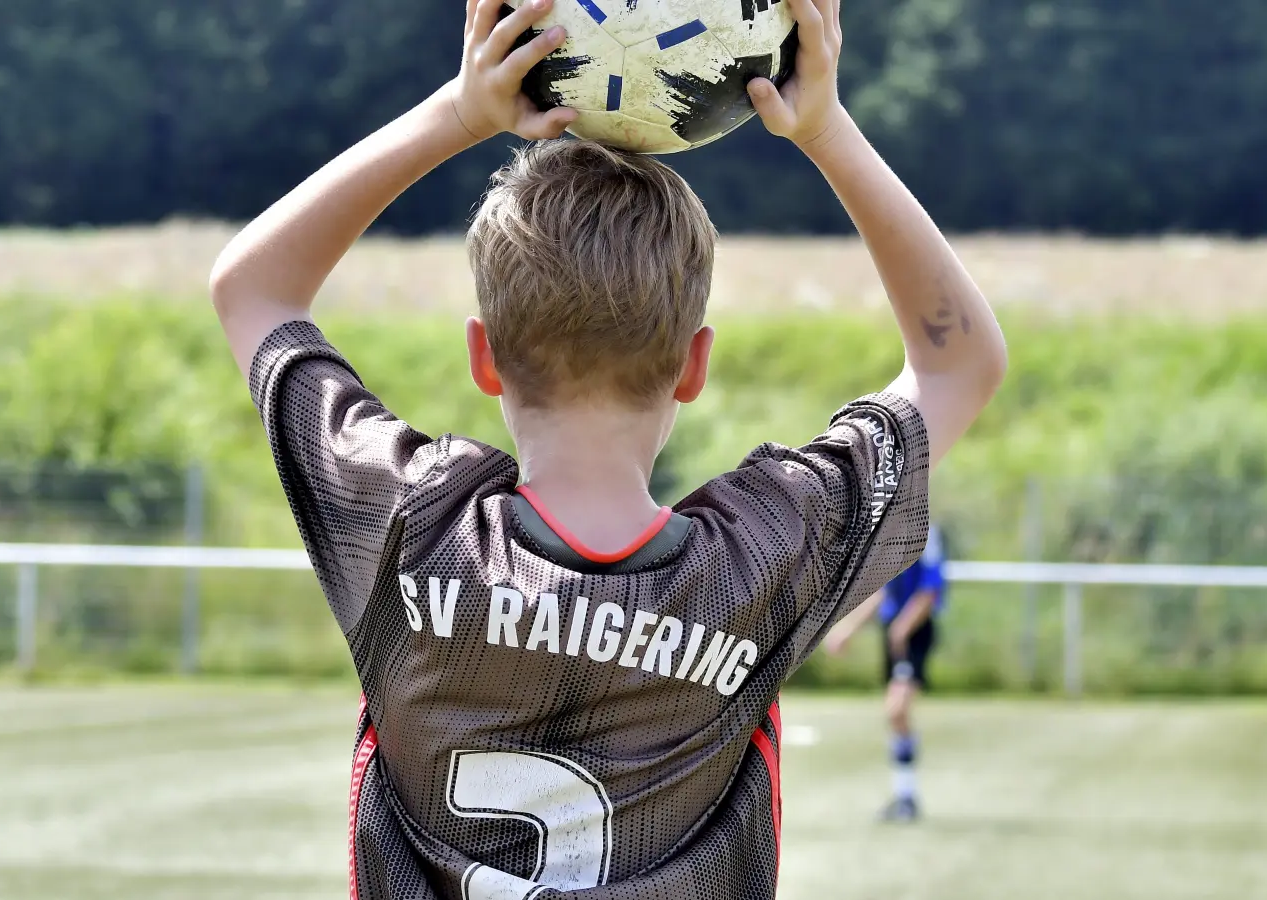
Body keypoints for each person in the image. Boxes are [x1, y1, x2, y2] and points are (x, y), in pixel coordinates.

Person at [209, 0, 1006, 894]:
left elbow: (252, 292)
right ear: (693, 364)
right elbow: (959, 366)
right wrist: (824, 128)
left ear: (483, 356)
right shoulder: (761, 557)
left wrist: (461, 113)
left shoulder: (412, 523)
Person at [826, 523, 948, 823]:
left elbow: (930, 591)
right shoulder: (888, 533)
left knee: (896, 710)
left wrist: (903, 628)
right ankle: (905, 795)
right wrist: (847, 629)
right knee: (895, 715)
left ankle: (907, 796)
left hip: (913, 632)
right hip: (894, 633)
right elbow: (881, 591)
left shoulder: (926, 533)